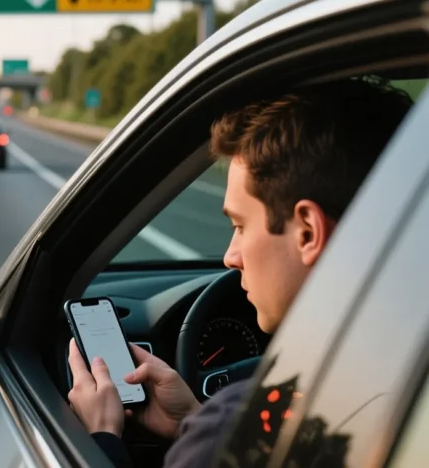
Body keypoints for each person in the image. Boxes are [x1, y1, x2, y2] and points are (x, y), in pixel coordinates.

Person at [66, 77, 415, 467]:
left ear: (308, 232)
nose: (231, 257)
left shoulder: (245, 432)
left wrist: (101, 438)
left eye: (240, 226)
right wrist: (193, 421)